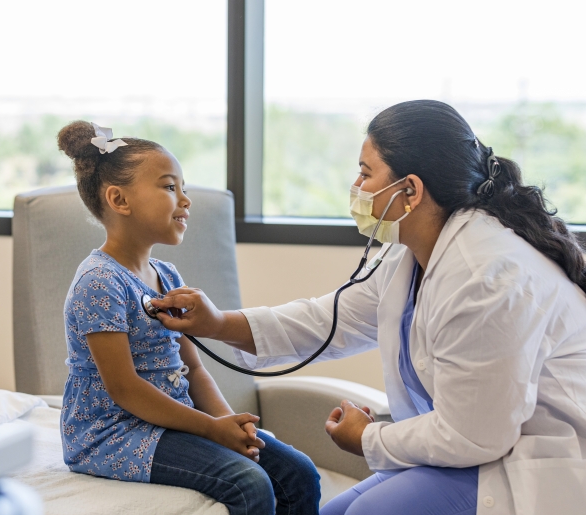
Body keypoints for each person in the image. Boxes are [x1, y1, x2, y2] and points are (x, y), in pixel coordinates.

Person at [150, 100, 586, 514]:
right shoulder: (414, 254)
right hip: (475, 445)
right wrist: (217, 323)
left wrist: (369, 437)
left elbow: (477, 436)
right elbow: (329, 320)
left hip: (525, 458)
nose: (356, 188)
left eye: (365, 173)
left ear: (410, 190)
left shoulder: (485, 276)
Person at [56, 120, 321, 515]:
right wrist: (211, 429)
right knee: (248, 483)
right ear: (119, 200)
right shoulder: (99, 282)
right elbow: (124, 389)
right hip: (111, 432)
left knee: (298, 472)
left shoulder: (168, 277)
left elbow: (193, 370)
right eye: (168, 186)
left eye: (183, 188)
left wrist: (230, 424)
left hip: (168, 421)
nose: (185, 199)